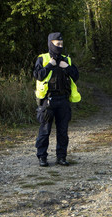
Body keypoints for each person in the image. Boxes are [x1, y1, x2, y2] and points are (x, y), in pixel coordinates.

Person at [33, 32, 81, 167]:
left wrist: (67, 68)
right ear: (50, 44)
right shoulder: (42, 59)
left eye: (61, 44)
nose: (60, 46)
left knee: (63, 131)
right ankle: (42, 157)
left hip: (64, 100)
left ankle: (61, 157)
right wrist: (50, 65)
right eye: (57, 44)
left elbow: (76, 76)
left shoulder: (67, 60)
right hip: (48, 101)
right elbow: (38, 75)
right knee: (45, 130)